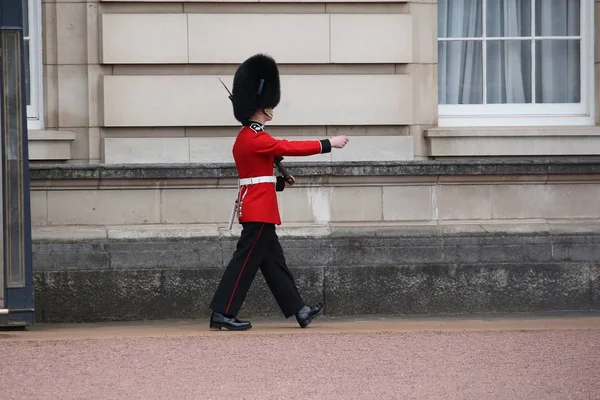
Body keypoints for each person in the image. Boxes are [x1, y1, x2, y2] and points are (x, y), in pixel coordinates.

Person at [209, 53, 349, 330]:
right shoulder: (256, 138)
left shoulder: (248, 138)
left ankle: (300, 310)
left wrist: (281, 183)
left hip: (259, 206)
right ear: (262, 108)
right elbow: (287, 147)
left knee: (274, 264)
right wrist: (327, 143)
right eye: (268, 106)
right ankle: (222, 313)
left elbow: (257, 178)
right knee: (244, 264)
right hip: (259, 211)